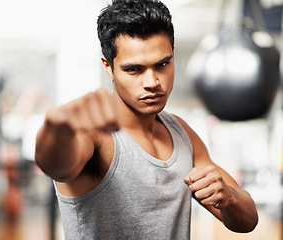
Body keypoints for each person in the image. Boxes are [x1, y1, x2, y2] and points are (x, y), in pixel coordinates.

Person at [35, 0, 258, 239]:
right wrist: (54, 129)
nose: (152, 82)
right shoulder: (95, 135)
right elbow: (56, 166)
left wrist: (229, 197)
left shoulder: (181, 132)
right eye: (134, 69)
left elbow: (247, 221)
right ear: (108, 67)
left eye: (162, 64)